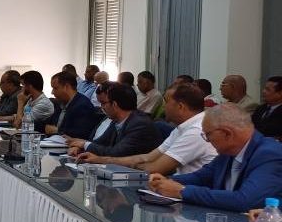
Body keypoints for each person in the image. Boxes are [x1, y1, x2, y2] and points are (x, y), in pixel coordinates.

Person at [148, 104, 282, 212]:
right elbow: (200, 177)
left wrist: (182, 191)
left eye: (208, 135)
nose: (206, 140)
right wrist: (165, 181)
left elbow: (244, 200)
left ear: (227, 134)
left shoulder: (269, 154)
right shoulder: (228, 152)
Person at [78, 83, 217, 175]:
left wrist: (107, 162)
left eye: (167, 102)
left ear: (180, 107)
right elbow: (147, 157)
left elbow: (154, 168)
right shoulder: (182, 128)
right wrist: (100, 160)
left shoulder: (196, 131)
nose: (164, 107)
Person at [67, 83, 161, 157]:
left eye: (103, 103)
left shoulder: (139, 124)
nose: (101, 107)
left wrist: (85, 145)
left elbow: (116, 153)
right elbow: (100, 143)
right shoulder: (117, 121)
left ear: (115, 105)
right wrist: (81, 147)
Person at [45, 71, 100, 140]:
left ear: (66, 87)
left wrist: (58, 130)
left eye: (55, 88)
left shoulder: (82, 106)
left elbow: (80, 134)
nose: (52, 92)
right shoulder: (59, 103)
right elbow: (48, 125)